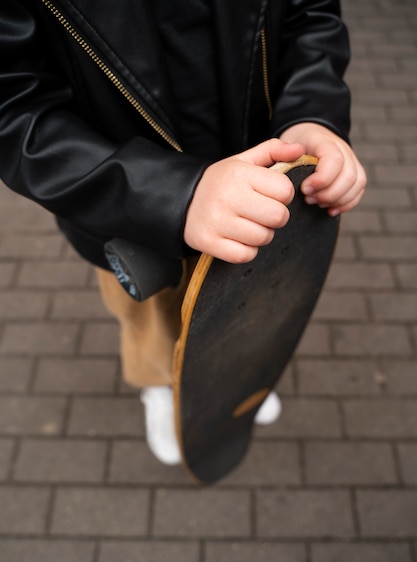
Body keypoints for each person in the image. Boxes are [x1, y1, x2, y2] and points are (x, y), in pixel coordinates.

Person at [0, 0, 366, 464]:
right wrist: (173, 196)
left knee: (241, 312)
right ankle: (160, 389)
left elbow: (311, 14)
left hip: (260, 188)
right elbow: (13, 108)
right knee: (151, 323)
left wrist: (313, 113)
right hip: (127, 214)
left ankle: (231, 384)